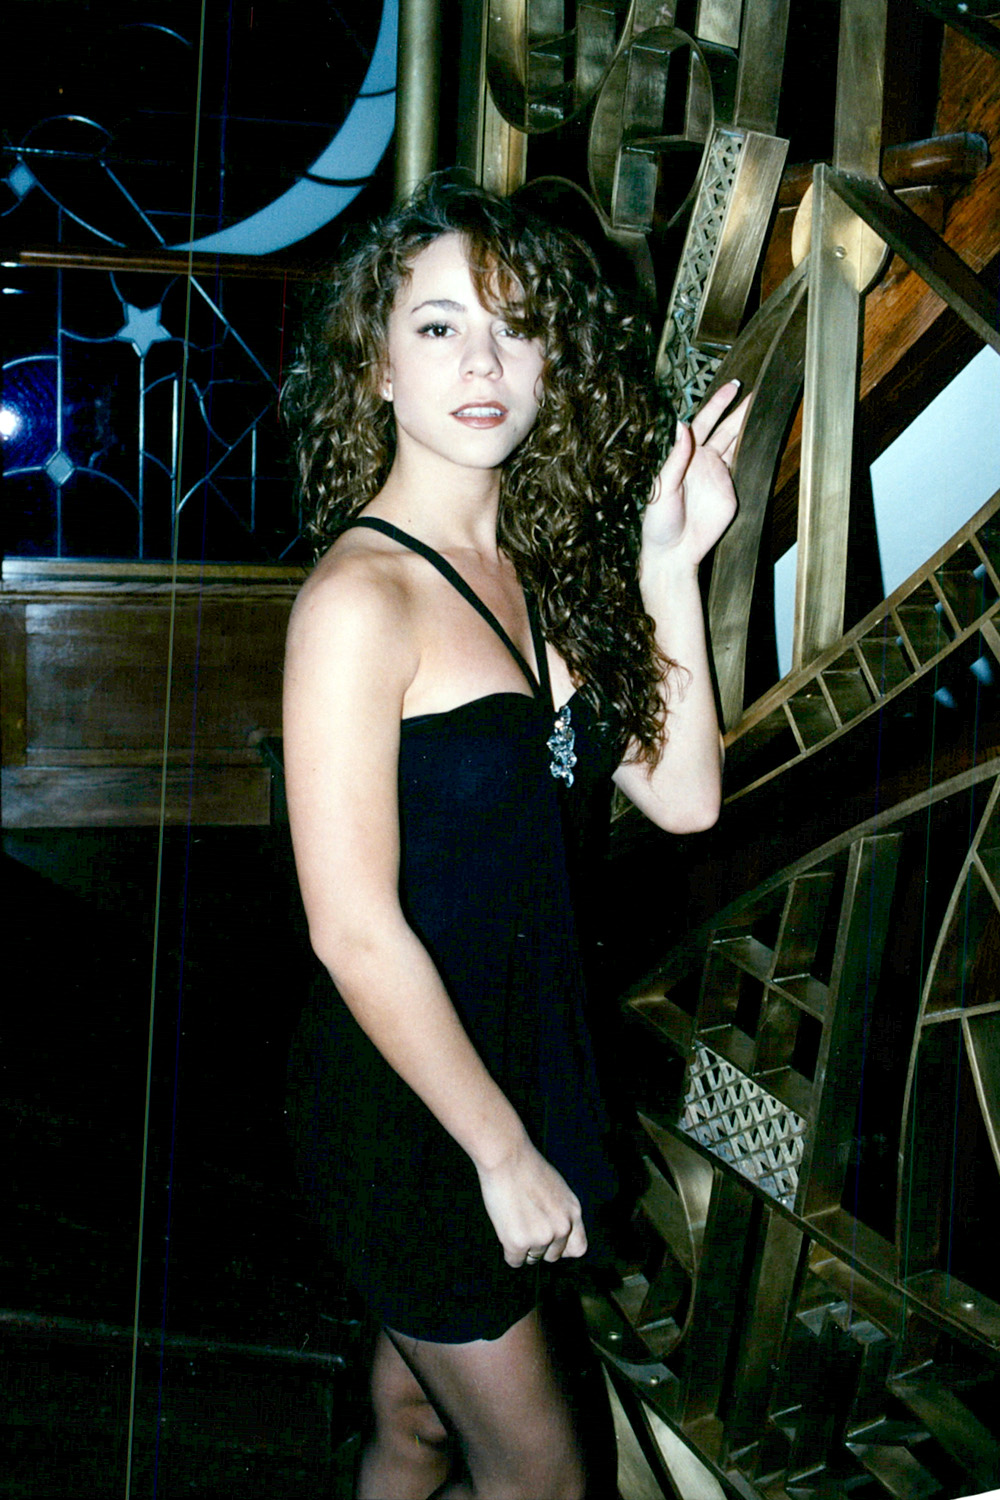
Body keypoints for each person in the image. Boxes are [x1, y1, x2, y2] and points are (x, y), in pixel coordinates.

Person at [281, 179, 746, 1499]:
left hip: (517, 1061)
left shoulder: (537, 575)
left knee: (419, 1423)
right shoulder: (360, 601)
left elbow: (684, 795)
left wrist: (670, 569)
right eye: (438, 328)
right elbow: (352, 930)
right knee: (542, 1476)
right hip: (417, 1106)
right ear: (376, 364)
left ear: (557, 360)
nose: (482, 363)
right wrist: (500, 1154)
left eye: (516, 326)